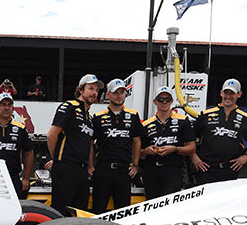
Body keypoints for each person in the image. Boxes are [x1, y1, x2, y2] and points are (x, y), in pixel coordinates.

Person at [47, 74, 100, 214]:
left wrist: (90, 166)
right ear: (81, 90)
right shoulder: (69, 106)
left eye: (96, 90)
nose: (94, 93)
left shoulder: (90, 117)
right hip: (66, 168)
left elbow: (89, 144)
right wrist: (57, 159)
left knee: (79, 212)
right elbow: (51, 135)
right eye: (91, 88)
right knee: (61, 212)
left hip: (82, 171)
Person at [190, 78, 247, 185]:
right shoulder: (204, 115)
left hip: (230, 169)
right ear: (221, 93)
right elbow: (189, 139)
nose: (228, 96)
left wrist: (246, 157)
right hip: (205, 168)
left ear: (239, 94)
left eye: (232, 93)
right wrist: (194, 158)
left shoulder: (245, 118)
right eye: (226, 92)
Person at [135, 87, 195, 200]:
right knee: (151, 208)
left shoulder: (183, 120)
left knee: (168, 208)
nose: (164, 102)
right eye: (160, 99)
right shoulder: (146, 124)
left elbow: (192, 148)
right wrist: (147, 151)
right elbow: (138, 153)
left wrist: (175, 149)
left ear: (172, 101)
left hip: (173, 171)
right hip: (151, 172)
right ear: (155, 101)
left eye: (167, 99)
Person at [90, 78, 140, 212]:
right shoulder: (97, 117)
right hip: (103, 170)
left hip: (124, 171)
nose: (119, 96)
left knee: (123, 212)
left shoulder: (133, 115)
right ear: (108, 95)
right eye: (115, 92)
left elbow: (136, 141)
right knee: (98, 210)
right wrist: (90, 166)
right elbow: (90, 142)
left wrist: (135, 165)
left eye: (122, 92)